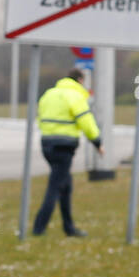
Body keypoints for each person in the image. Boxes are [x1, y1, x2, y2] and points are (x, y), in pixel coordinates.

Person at [33, 68, 103, 237]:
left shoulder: (49, 94)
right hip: (64, 146)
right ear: (80, 80)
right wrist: (97, 142)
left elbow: (40, 117)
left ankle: (69, 227)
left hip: (47, 143)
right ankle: (39, 228)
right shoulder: (75, 95)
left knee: (65, 185)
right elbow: (86, 120)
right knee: (55, 186)